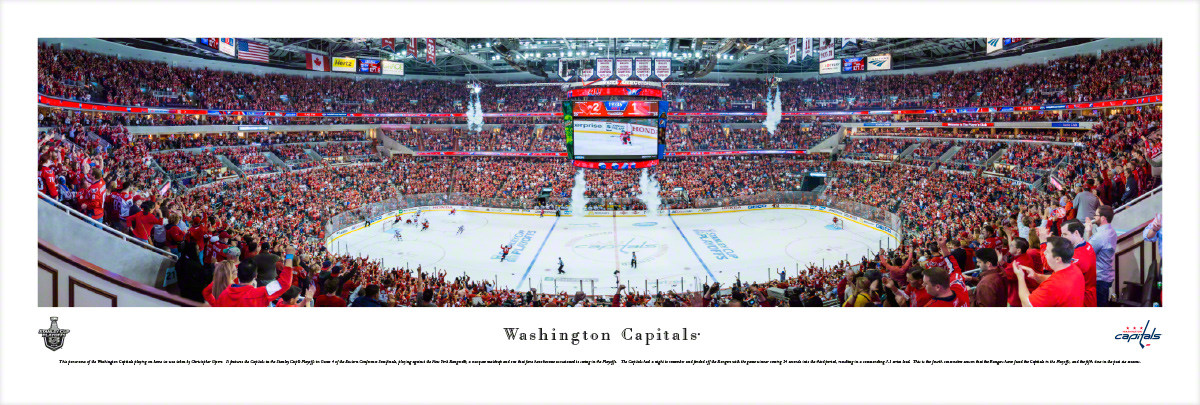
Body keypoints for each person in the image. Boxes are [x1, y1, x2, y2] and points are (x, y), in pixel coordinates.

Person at [202, 246, 297, 307]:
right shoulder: (261, 293)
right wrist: (289, 256)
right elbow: (284, 283)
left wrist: (220, 278)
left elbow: (206, 293)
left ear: (238, 275)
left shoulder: (224, 295)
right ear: (255, 275)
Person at [1014, 236, 1085, 307]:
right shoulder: (1074, 268)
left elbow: (1027, 305)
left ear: (1057, 259)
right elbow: (1053, 278)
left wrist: (1020, 277)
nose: (1044, 253)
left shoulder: (1052, 287)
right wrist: (1036, 276)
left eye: (1047, 251)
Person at [1056, 219, 1097, 307]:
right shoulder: (1087, 245)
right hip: (1089, 296)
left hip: (1081, 301)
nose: (1062, 237)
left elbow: (1058, 280)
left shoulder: (1076, 257)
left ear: (1076, 233)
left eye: (1065, 234)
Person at [1086, 205, 1116, 307]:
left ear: (1103, 218)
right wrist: (1090, 231)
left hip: (1100, 279)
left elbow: (1087, 252)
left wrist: (1087, 231)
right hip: (1105, 276)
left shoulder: (1101, 235)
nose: (1094, 217)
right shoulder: (1110, 231)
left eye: (1096, 215)